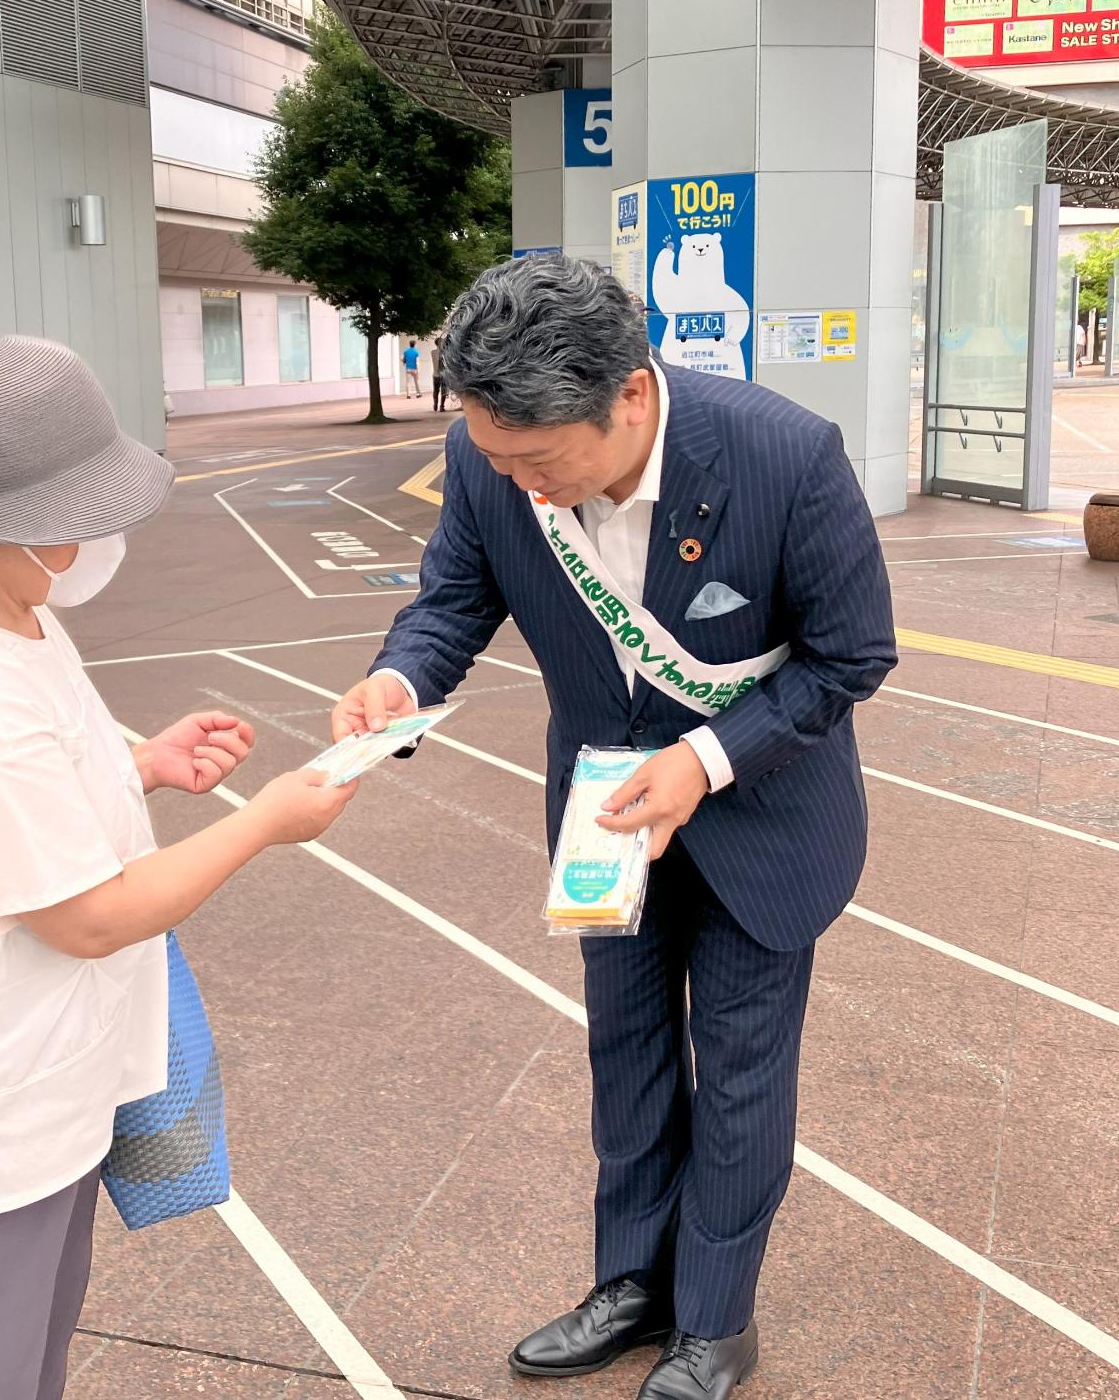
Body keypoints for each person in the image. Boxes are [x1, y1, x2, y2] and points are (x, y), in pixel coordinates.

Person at [331, 257, 895, 1400]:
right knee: (624, 1055)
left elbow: (851, 656)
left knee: (738, 1073)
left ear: (629, 396)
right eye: (498, 461)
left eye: (541, 463)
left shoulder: (783, 456)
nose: (521, 487)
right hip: (600, 808)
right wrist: (399, 681)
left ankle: (715, 1322)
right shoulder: (486, 457)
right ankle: (630, 1285)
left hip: (761, 815)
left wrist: (704, 760)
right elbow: (451, 599)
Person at [0, 334, 360, 1400]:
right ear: (1, 524)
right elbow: (90, 916)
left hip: (30, 1096)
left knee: (20, 1371)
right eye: (76, 518)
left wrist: (137, 764)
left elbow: (31, 780)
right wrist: (262, 824)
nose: (94, 539)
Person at [432, 339, 449, 412]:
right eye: (442, 342)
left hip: (437, 375)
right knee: (442, 391)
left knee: (437, 391)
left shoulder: (433, 352)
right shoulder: (444, 353)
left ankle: (437, 404)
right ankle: (440, 406)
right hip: (441, 375)